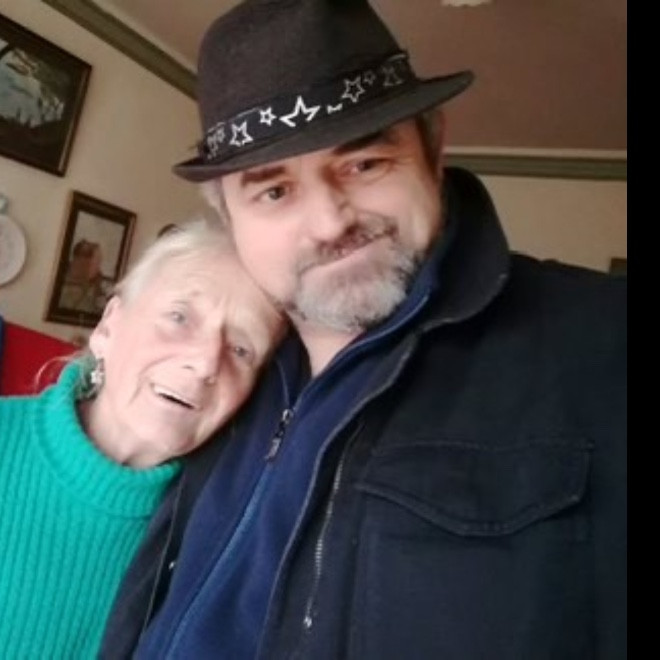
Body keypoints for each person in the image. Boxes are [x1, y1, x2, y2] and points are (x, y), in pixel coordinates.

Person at [102, 1, 627, 659]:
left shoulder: (603, 344)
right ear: (231, 219)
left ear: (433, 147)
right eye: (274, 192)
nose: (329, 222)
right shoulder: (226, 370)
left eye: (365, 164)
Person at [0, 220, 285, 657]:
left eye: (241, 349)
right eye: (179, 317)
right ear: (108, 326)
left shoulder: (225, 538)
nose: (206, 363)